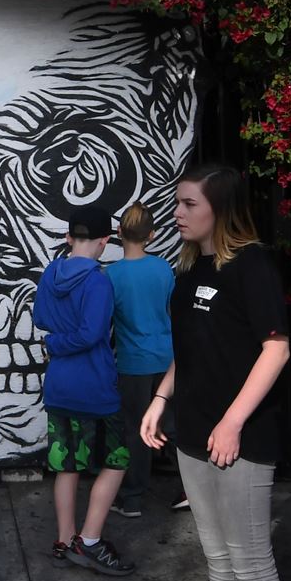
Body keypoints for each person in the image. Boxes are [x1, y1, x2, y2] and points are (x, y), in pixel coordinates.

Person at [141, 164, 291, 581]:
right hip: (192, 434)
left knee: (251, 565)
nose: (177, 213)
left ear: (220, 209)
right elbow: (189, 351)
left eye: (190, 204)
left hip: (240, 439)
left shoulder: (252, 265)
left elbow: (276, 350)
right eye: (177, 203)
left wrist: (232, 422)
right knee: (218, 558)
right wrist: (160, 398)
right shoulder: (188, 270)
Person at [32, 204, 135, 577]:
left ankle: (64, 539)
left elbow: (41, 318)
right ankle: (88, 540)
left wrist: (55, 341)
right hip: (94, 387)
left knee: (66, 465)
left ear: (68, 237)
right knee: (118, 459)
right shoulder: (97, 280)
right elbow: (93, 333)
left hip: (59, 385)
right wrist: (62, 342)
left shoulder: (51, 272)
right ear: (105, 241)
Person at [105, 202, 176, 519]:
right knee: (171, 426)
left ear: (119, 233)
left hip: (132, 364)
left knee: (135, 430)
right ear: (152, 234)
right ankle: (193, 491)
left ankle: (132, 498)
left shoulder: (112, 275)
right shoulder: (163, 268)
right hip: (167, 360)